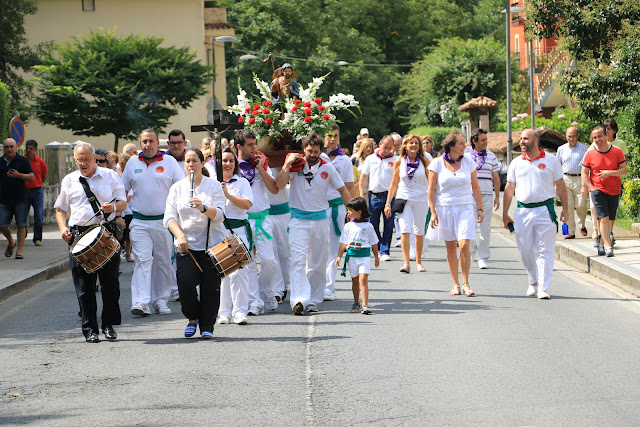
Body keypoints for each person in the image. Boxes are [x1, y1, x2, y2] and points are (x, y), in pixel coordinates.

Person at [54, 142, 126, 343]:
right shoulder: (69, 180)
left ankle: (108, 325)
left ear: (94, 158)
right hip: (79, 235)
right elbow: (60, 209)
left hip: (105, 232)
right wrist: (62, 229)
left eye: (87, 159)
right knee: (84, 287)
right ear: (75, 160)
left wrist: (112, 207)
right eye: (79, 160)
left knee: (110, 284)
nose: (83, 163)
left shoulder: (110, 176)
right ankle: (90, 329)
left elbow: (123, 202)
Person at [276, 132, 351, 315]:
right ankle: (299, 299)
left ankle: (314, 300)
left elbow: (342, 189)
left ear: (320, 151)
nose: (313, 154)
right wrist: (287, 164)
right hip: (298, 221)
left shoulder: (327, 167)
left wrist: (353, 211)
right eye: (310, 151)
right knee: (298, 261)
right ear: (304, 150)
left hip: (320, 221)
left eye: (316, 151)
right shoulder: (295, 166)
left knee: (318, 263)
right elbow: (279, 184)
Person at [164, 148, 226, 339]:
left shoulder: (213, 186)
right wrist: (179, 236)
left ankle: (207, 325)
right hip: (186, 245)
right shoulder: (177, 188)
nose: (191, 165)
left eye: (194, 161)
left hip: (211, 244)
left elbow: (221, 215)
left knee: (210, 287)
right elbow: (169, 217)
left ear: (201, 163)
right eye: (187, 161)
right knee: (185, 284)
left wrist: (204, 208)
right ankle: (192, 317)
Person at [121, 129, 183, 316]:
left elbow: (180, 190)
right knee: (142, 260)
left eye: (151, 141)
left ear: (158, 143)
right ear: (140, 143)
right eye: (144, 141)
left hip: (163, 222)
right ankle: (141, 302)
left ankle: (161, 300)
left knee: (163, 262)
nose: (147, 145)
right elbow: (121, 191)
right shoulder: (132, 163)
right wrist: (119, 215)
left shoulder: (169, 162)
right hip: (139, 221)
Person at [503, 129, 568, 299]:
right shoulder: (516, 163)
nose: (522, 141)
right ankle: (532, 280)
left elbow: (560, 184)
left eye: (526, 139)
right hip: (523, 211)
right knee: (525, 249)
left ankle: (543, 287)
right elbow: (509, 188)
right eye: (521, 139)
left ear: (536, 141)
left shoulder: (551, 160)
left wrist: (566, 209)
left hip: (545, 210)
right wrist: (505, 213)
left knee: (544, 250)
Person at [427, 131, 483, 296]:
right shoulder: (436, 163)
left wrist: (479, 208)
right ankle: (455, 284)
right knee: (450, 246)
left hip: (465, 206)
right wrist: (433, 212)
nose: (464, 146)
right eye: (460, 143)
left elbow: (475, 187)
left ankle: (466, 283)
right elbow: (431, 190)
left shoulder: (469, 162)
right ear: (451, 146)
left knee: (464, 244)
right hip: (445, 207)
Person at [235, 129, 280, 314]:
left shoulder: (261, 162)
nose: (255, 148)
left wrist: (261, 168)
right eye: (250, 145)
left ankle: (268, 291)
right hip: (242, 221)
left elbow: (274, 189)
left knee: (269, 260)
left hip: (262, 218)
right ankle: (254, 302)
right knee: (248, 262)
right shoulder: (232, 164)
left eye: (255, 144)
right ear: (239, 147)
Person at [217, 147, 253, 325]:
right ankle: (223, 312)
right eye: (224, 160)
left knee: (239, 272)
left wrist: (228, 195)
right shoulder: (212, 183)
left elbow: (247, 204)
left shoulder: (242, 182)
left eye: (231, 160)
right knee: (222, 272)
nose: (228, 164)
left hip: (238, 230)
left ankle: (239, 310)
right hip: (219, 231)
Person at [384, 134, 430, 273]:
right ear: (406, 146)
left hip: (421, 199)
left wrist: (434, 200)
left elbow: (431, 181)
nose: (414, 145)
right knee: (404, 230)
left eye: (416, 143)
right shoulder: (399, 161)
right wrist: (387, 203)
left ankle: (418, 262)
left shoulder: (424, 161)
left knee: (419, 231)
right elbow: (393, 183)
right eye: (411, 143)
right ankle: (406, 263)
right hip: (404, 199)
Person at [323, 124, 356, 301]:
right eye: (329, 135)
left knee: (333, 250)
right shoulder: (317, 157)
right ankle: (313, 286)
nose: (332, 139)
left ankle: (328, 287)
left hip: (337, 208)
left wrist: (356, 211)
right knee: (316, 249)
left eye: (335, 136)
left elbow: (350, 187)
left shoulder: (344, 160)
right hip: (318, 209)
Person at [581, 126, 627, 257]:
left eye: (599, 136)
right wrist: (590, 187)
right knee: (603, 219)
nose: (597, 140)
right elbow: (584, 173)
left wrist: (610, 173)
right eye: (594, 137)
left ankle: (601, 243)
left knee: (610, 220)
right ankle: (608, 247)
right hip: (597, 190)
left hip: (614, 190)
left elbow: (624, 170)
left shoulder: (617, 151)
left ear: (606, 136)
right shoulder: (589, 154)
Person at [335, 197, 379, 315]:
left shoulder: (368, 226)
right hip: (352, 257)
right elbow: (343, 242)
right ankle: (356, 302)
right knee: (355, 281)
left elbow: (374, 242)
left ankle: (365, 304)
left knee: (363, 279)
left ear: (359, 212)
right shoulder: (348, 226)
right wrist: (339, 256)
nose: (348, 212)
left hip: (364, 256)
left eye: (350, 210)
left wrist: (376, 257)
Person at [464, 129, 500, 269]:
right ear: (475, 141)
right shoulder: (466, 156)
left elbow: (496, 177)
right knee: (470, 226)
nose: (486, 142)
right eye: (483, 140)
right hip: (470, 196)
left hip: (487, 195)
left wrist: (497, 196)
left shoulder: (491, 156)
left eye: (486, 139)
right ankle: (472, 252)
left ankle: (483, 257)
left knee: (485, 228)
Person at [359, 135, 397, 262]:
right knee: (373, 223)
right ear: (380, 144)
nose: (386, 150)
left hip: (389, 196)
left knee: (388, 223)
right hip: (374, 195)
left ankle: (385, 250)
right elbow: (363, 178)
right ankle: (379, 246)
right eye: (385, 147)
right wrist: (361, 196)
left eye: (389, 148)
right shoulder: (371, 159)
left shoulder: (395, 160)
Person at [1, 138, 34, 260]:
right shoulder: (0, 162)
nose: (9, 149)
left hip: (20, 199)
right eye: (6, 147)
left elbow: (31, 177)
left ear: (16, 148)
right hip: (3, 200)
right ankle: (11, 241)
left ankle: (19, 251)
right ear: (3, 148)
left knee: (21, 225)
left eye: (11, 147)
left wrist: (18, 175)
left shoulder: (23, 161)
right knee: (2, 224)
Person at [556, 126, 588, 239]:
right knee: (568, 206)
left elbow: (587, 166)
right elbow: (557, 167)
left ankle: (582, 225)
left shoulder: (584, 149)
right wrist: (556, 184)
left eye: (574, 136)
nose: (572, 138)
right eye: (569, 136)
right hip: (566, 179)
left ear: (577, 136)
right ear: (566, 136)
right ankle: (571, 231)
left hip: (580, 179)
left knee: (581, 205)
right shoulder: (561, 149)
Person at [24, 139, 48, 247]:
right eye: (27, 148)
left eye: (31, 149)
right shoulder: (22, 160)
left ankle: (37, 238)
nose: (29, 150)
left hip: (37, 191)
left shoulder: (40, 162)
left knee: (39, 215)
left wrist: (38, 183)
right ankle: (23, 232)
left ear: (36, 149)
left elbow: (44, 176)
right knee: (22, 214)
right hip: (24, 191)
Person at [118, 154, 134, 262]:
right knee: (120, 236)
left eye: (125, 165)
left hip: (130, 210)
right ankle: (118, 259)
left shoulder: (132, 174)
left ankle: (128, 253)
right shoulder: (117, 174)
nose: (123, 167)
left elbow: (128, 196)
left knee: (128, 235)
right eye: (121, 165)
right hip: (121, 211)